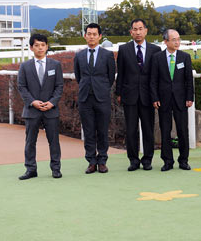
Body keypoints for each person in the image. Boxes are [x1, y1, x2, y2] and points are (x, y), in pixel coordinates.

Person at [115, 18, 161, 171]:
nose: (138, 32)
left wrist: (156, 96)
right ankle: (133, 160)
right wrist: (119, 93)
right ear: (131, 32)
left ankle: (147, 159)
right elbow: (120, 73)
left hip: (148, 97)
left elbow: (157, 76)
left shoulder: (155, 50)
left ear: (146, 31)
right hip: (130, 95)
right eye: (135, 29)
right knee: (131, 130)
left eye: (140, 29)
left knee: (148, 129)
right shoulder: (124, 49)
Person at [17, 34, 64, 180]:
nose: (40, 48)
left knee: (54, 140)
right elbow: (22, 87)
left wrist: (52, 102)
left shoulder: (55, 65)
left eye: (43, 45)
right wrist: (32, 102)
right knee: (30, 141)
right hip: (32, 110)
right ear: (31, 48)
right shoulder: (24, 66)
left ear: (47, 46)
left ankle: (56, 168)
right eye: (36, 45)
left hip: (51, 109)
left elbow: (59, 86)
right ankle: (31, 169)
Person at [74, 23, 116, 174]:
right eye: (89, 34)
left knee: (103, 130)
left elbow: (110, 77)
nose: (91, 36)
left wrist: (101, 88)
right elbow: (79, 76)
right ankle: (91, 161)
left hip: (102, 97)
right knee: (89, 131)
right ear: (85, 36)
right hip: (85, 98)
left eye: (94, 34)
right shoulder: (79, 55)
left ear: (99, 36)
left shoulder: (107, 55)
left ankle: (102, 161)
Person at [150, 29, 194, 171]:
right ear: (165, 41)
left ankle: (184, 160)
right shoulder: (157, 58)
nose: (177, 42)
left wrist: (189, 97)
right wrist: (155, 98)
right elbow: (153, 80)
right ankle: (167, 161)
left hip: (181, 100)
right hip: (163, 100)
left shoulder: (185, 57)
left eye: (178, 39)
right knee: (165, 130)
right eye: (173, 39)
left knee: (182, 130)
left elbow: (188, 80)